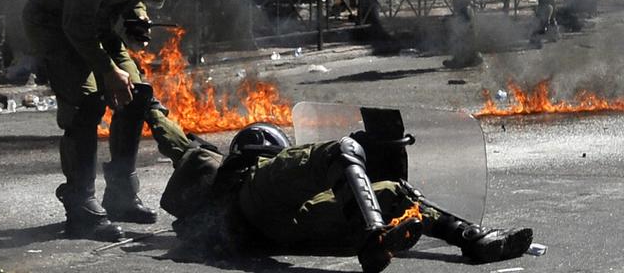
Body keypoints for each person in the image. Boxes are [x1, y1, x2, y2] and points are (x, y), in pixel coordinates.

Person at [22, 0, 208, 242]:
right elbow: (74, 24)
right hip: (55, 26)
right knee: (85, 104)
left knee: (137, 95)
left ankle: (121, 196)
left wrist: (137, 17)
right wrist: (108, 71)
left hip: (96, 23)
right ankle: (81, 210)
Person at [161, 110, 534, 273]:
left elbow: (172, 138)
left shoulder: (215, 174)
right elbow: (173, 138)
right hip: (254, 201)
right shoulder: (251, 170)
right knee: (342, 150)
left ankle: (469, 237)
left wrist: (149, 107)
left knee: (391, 192)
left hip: (278, 230)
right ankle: (373, 237)